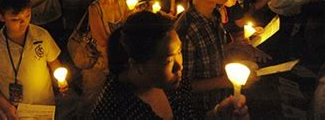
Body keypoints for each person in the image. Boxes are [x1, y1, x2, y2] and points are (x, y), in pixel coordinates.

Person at [92, 11, 249, 120]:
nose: (179, 66)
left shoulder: (173, 84)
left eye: (179, 52)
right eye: (167, 60)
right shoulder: (114, 111)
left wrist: (218, 114)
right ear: (138, 65)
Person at [177, 0, 258, 116]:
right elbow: (183, 85)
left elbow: (213, 53)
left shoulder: (214, 15)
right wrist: (226, 81)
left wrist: (233, 48)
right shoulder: (187, 31)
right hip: (201, 110)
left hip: (221, 102)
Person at [0, 0, 64, 120]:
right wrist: (6, 107)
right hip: (14, 111)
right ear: (1, 16)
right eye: (15, 19)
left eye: (27, 15)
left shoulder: (41, 35)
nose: (23, 23)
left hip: (43, 106)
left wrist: (61, 80)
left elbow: (53, 62)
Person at [80, 0, 132, 115]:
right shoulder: (95, 7)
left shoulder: (123, 3)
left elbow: (128, 29)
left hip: (119, 60)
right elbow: (101, 39)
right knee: (91, 100)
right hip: (99, 61)